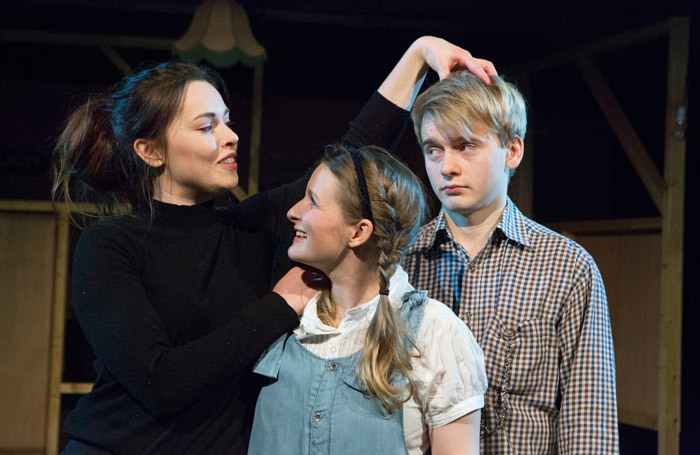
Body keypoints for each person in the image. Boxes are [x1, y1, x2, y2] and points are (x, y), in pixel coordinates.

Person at [51, 38, 496, 454]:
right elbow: (161, 382)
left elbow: (345, 168)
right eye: (207, 127)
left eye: (226, 121)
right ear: (150, 151)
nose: (230, 136)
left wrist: (419, 54)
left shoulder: (248, 228)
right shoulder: (109, 246)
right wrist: (280, 305)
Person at [401, 71, 619, 454]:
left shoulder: (566, 267)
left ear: (512, 151)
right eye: (433, 149)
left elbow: (588, 424)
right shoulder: (402, 264)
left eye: (465, 145)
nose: (446, 166)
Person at [248, 144, 487, 455]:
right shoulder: (286, 314)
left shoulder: (434, 332)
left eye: (313, 202)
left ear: (358, 232)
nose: (293, 211)